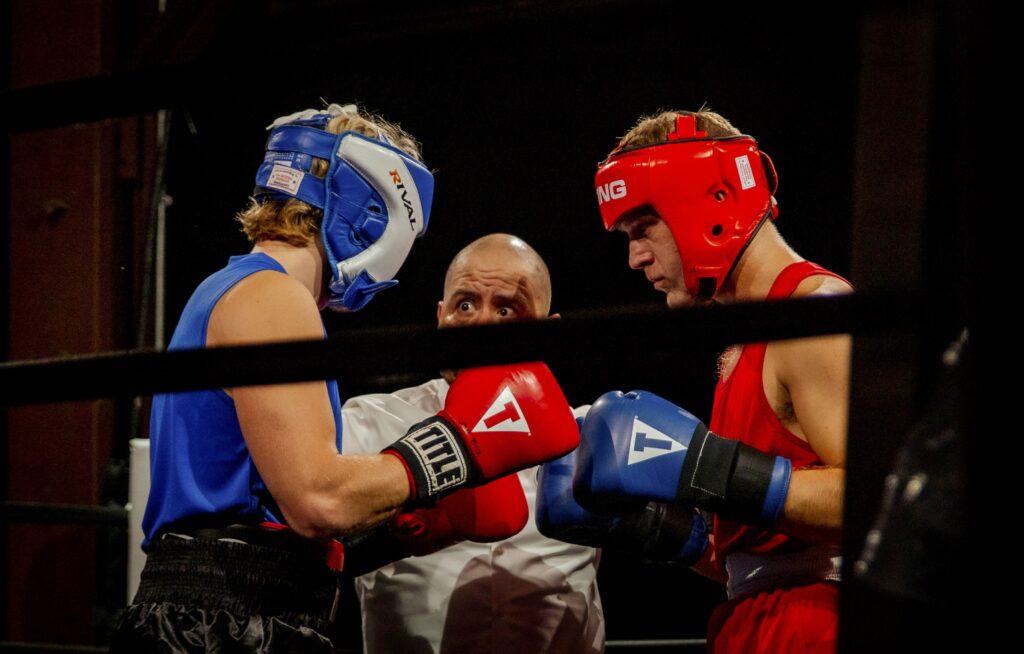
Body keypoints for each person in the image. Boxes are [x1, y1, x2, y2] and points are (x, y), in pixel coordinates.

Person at [111, 105, 579, 652]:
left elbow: (269, 514)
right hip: (224, 620)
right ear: (374, 212)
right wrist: (459, 447)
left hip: (231, 609)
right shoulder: (274, 297)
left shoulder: (241, 289)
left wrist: (402, 531)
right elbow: (319, 502)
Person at [564, 109, 852, 653]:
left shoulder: (814, 312)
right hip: (755, 616)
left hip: (816, 619)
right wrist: (661, 529)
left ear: (709, 201)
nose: (635, 257)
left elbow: (872, 497)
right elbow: (751, 559)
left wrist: (707, 467)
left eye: (643, 228)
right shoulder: (744, 339)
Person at [341, 233, 605, 653]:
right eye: (465, 305)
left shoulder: (591, 436)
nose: (481, 325)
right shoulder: (370, 423)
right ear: (441, 316)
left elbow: (721, 559)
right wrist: (395, 533)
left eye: (506, 308)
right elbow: (299, 553)